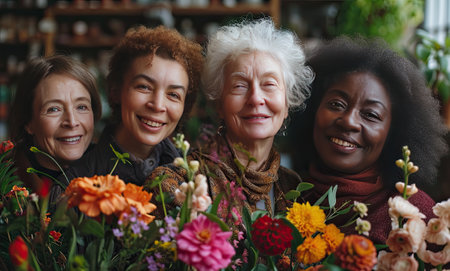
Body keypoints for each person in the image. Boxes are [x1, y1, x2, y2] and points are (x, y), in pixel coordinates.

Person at [148, 18, 313, 216]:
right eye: (239, 86)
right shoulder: (177, 185)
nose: (255, 98)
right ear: (219, 104)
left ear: (287, 104)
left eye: (269, 84)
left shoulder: (294, 190)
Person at [291, 37, 448, 244]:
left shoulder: (416, 219)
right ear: (312, 110)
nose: (349, 121)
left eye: (371, 115)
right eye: (337, 104)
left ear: (393, 134)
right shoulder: (284, 197)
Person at [61, 25, 204, 187]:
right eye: (144, 87)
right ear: (116, 91)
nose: (157, 105)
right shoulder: (76, 181)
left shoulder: (194, 179)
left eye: (173, 95)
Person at [8, 55, 102, 193]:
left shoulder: (115, 173)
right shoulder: (7, 182)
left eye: (81, 107)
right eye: (54, 109)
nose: (72, 122)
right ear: (28, 122)